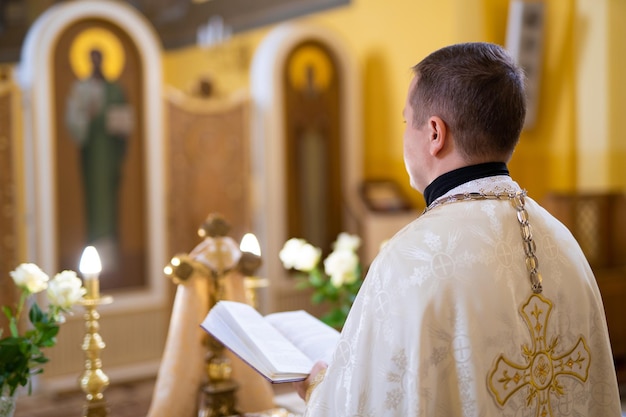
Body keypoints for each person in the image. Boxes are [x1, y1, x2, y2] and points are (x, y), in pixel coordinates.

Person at [294, 42, 622, 416]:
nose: (405, 135)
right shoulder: (564, 241)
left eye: (406, 122)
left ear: (435, 133)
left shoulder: (411, 261)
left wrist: (318, 388)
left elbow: (358, 406)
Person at [65, 48, 133, 268]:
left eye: (99, 58)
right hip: (92, 155)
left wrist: (119, 125)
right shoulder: (81, 89)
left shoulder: (114, 89)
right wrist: (88, 116)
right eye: (92, 59)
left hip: (110, 153)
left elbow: (125, 120)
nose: (96, 63)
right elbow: (74, 120)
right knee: (95, 200)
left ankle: (111, 252)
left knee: (110, 200)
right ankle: (95, 247)